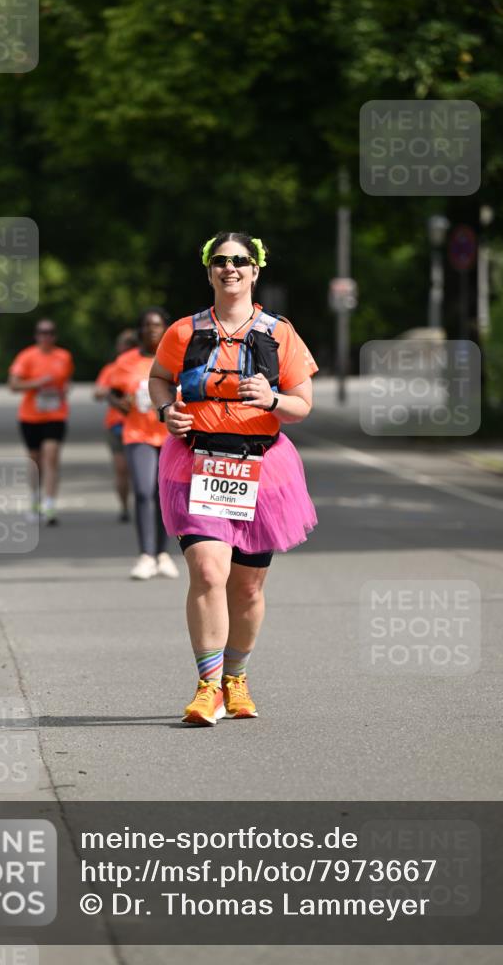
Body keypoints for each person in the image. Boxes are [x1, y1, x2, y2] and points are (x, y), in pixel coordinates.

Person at [149, 232, 317, 725]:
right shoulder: (183, 331)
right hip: (196, 464)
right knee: (206, 571)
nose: (231, 269)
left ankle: (236, 678)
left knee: (247, 589)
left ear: (256, 269)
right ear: (208, 271)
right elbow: (159, 377)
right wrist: (167, 411)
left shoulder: (280, 332)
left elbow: (303, 405)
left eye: (240, 261)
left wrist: (271, 400)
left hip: (261, 471)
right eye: (221, 261)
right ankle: (208, 688)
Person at [110, 308, 179, 580]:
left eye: (158, 325)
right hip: (138, 434)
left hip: (170, 435)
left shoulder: (176, 358)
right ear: (140, 330)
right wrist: (122, 404)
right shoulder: (126, 361)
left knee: (163, 493)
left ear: (165, 329)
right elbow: (113, 395)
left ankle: (162, 554)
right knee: (142, 491)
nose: (152, 330)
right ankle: (146, 555)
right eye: (147, 325)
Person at [8, 319, 74, 526]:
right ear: (36, 335)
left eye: (50, 332)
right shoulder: (27, 356)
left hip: (55, 415)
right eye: (42, 332)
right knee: (35, 460)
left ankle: (50, 504)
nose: (46, 336)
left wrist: (64, 390)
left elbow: (67, 381)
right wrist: (37, 383)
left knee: (51, 456)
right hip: (30, 416)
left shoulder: (64, 356)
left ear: (55, 336)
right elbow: (13, 385)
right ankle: (35, 500)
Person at [94, 329, 139, 522]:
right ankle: (124, 506)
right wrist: (113, 392)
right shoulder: (112, 369)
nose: (127, 348)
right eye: (125, 344)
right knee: (121, 469)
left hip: (141, 426)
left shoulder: (144, 365)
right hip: (117, 425)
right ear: (119, 347)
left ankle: (145, 503)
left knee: (141, 469)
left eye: (132, 344)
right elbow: (97, 393)